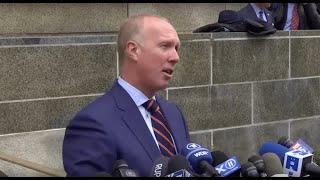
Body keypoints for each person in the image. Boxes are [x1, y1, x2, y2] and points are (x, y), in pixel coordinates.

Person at [62, 14, 190, 177]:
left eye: (176, 48)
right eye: (165, 46)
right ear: (133, 50)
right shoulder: (92, 123)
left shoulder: (173, 113)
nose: (175, 57)